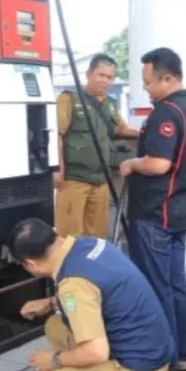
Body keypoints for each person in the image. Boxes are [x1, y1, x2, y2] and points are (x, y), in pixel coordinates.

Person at [10, 218, 172, 371]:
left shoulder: (72, 284)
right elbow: (101, 291)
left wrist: (53, 360)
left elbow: (96, 351)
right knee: (55, 325)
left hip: (138, 369)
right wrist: (51, 302)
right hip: (154, 349)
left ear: (31, 264)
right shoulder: (89, 245)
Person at [119, 47, 186, 371]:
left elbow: (158, 163)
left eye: (149, 82)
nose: (147, 89)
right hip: (178, 212)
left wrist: (131, 163)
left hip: (155, 215)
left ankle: (163, 362)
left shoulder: (165, 113)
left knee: (158, 288)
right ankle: (183, 355)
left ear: (167, 78)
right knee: (176, 285)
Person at [55, 54, 139, 238]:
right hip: (74, 179)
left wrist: (146, 132)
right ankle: (70, 268)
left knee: (98, 237)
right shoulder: (69, 99)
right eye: (101, 75)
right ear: (89, 74)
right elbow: (57, 134)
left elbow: (121, 128)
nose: (105, 81)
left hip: (102, 180)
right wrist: (57, 169)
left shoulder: (110, 104)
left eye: (110, 77)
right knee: (69, 238)